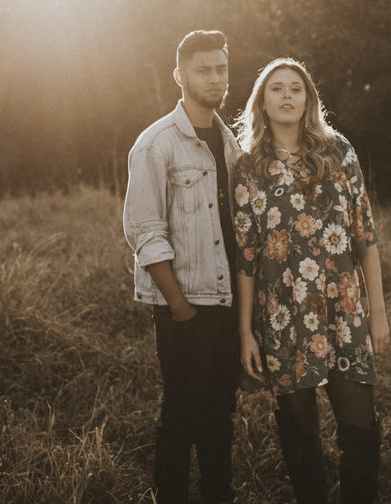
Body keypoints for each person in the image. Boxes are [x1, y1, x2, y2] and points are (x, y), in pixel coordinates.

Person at [232, 58, 390, 504]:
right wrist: (246, 332)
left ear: (308, 99)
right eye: (276, 88)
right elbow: (246, 257)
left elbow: (366, 237)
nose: (286, 95)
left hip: (344, 312)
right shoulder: (248, 168)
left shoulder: (338, 152)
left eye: (295, 88)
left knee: (359, 428)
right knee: (300, 436)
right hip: (284, 317)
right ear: (262, 102)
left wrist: (376, 312)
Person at [123, 30, 242, 504]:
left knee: (220, 416)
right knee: (180, 416)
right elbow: (144, 232)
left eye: (221, 69)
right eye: (203, 69)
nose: (215, 79)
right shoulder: (156, 145)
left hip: (227, 302)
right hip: (184, 305)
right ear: (180, 76)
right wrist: (179, 307)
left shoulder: (231, 142)